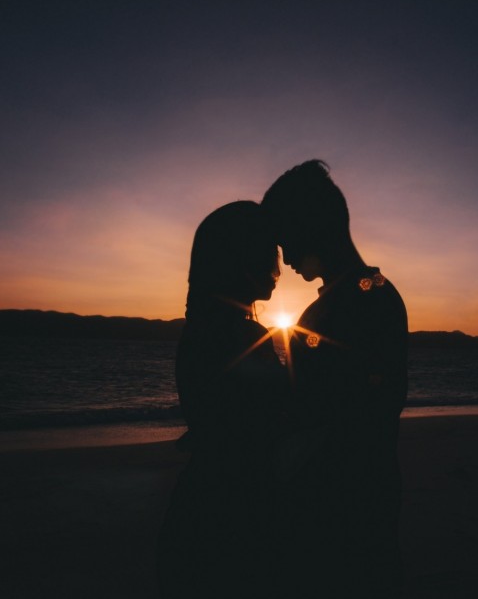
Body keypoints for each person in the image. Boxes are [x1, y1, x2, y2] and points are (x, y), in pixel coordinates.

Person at [262, 160, 409, 598]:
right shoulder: (356, 298)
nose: (284, 258)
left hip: (344, 515)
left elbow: (346, 416)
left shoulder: (364, 300)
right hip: (354, 507)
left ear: (312, 227)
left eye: (285, 239)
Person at [156, 201, 289, 599]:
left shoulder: (203, 330)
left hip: (207, 510)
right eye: (268, 256)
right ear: (241, 259)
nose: (277, 270)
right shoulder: (236, 336)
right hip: (231, 519)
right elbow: (268, 423)